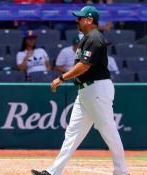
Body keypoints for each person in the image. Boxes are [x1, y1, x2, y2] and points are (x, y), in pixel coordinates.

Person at [31, 6, 129, 175]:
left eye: (80, 18)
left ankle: (122, 172)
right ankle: (53, 172)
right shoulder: (87, 37)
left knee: (108, 130)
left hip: (97, 89)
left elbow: (84, 66)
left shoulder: (95, 37)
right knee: (72, 134)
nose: (77, 20)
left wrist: (61, 78)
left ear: (90, 20)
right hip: (85, 91)